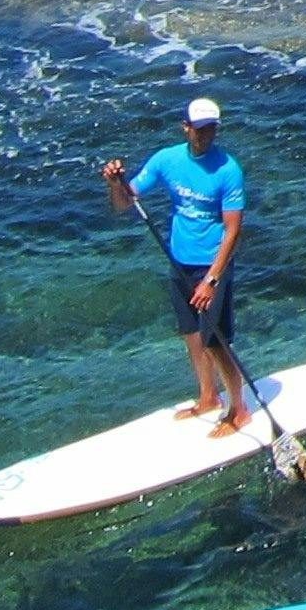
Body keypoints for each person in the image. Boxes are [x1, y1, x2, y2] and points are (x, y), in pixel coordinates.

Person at [105, 98, 250, 435]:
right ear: (185, 127)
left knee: (215, 340)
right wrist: (115, 183)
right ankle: (208, 397)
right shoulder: (166, 160)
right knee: (192, 333)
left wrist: (212, 280)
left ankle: (239, 409)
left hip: (213, 266)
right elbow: (124, 204)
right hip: (180, 262)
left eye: (211, 128)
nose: (205, 135)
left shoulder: (228, 169)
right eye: (199, 129)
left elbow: (233, 230)